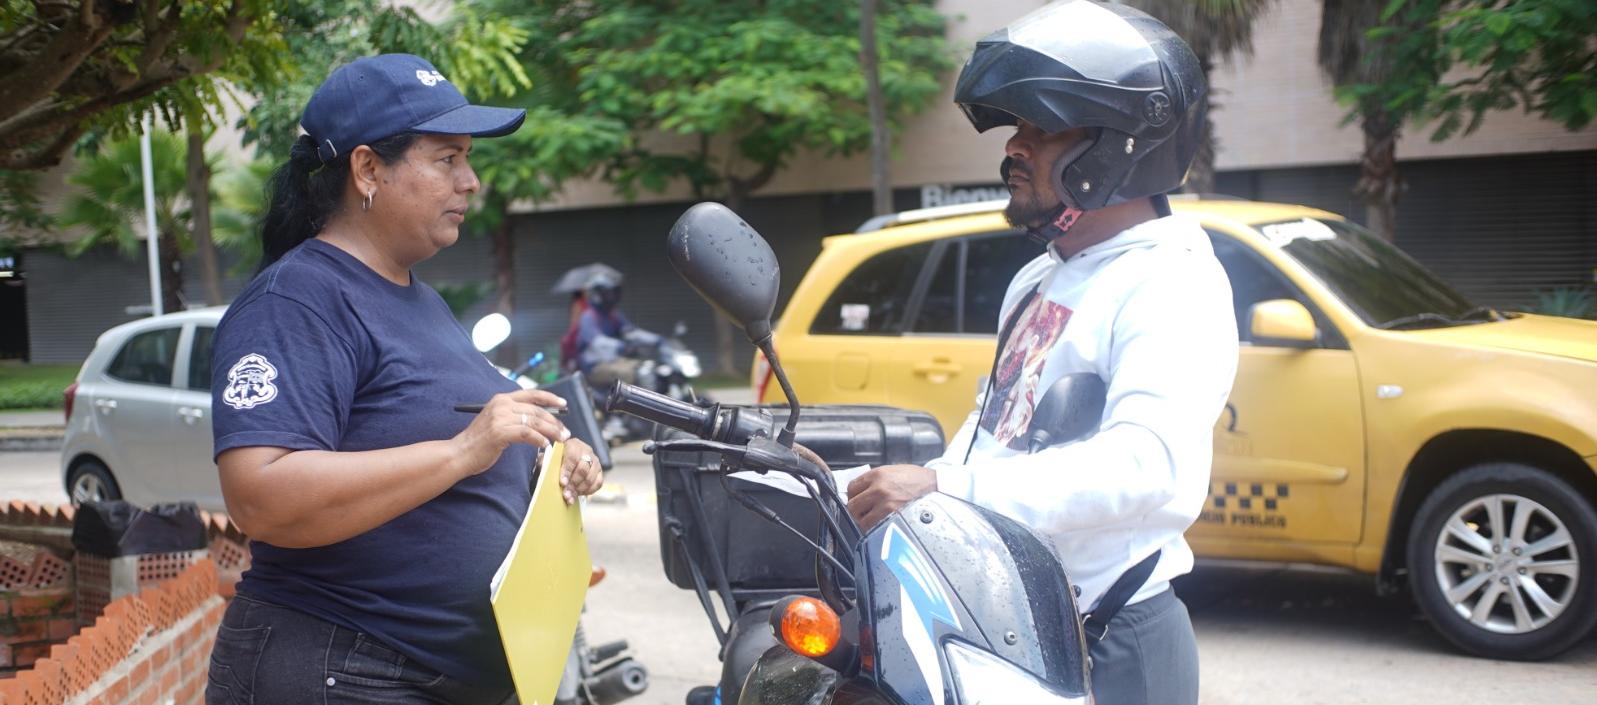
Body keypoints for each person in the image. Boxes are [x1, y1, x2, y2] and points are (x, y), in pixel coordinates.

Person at [843, 3, 1239, 703]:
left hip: (1110, 636)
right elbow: (995, 435)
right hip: (1009, 614)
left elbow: (1149, 467)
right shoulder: (1042, 274)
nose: (1014, 148)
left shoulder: (1169, 280)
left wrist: (944, 490)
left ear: (1118, 146)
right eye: (1017, 127)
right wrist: (888, 484)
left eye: (1042, 127)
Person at [206, 54, 603, 705]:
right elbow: (261, 497)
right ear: (367, 168)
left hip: (436, 675)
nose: (470, 181)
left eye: (468, 159)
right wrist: (462, 450)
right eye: (447, 159)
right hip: (344, 667)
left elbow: (445, 442)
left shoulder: (419, 300)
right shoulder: (298, 298)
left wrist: (547, 459)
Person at [575, 273, 660, 390]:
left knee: (650, 369)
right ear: (599, 294)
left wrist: (656, 339)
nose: (613, 296)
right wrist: (621, 346)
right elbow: (596, 342)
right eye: (609, 293)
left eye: (614, 292)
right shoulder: (589, 316)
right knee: (639, 375)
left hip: (614, 360)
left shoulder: (613, 315)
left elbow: (630, 332)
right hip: (595, 366)